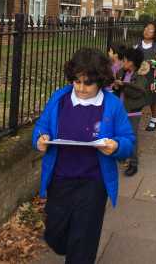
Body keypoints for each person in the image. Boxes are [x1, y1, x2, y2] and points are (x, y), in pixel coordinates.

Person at [32, 48, 135, 264]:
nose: (81, 88)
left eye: (87, 83)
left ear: (100, 80)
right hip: (60, 178)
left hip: (93, 182)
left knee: (84, 239)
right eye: (77, 82)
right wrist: (40, 138)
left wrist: (116, 146)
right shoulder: (59, 98)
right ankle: (66, 245)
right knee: (55, 234)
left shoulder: (113, 105)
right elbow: (42, 126)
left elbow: (128, 140)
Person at [113, 48, 149, 176]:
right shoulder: (121, 72)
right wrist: (117, 87)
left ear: (132, 62)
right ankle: (121, 155)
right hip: (121, 110)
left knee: (131, 136)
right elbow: (119, 90)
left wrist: (123, 85)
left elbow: (136, 92)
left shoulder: (140, 76)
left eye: (125, 60)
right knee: (119, 134)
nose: (122, 62)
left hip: (133, 112)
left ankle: (133, 163)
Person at [135, 22, 156, 131]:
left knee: (154, 100)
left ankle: (154, 119)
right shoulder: (137, 44)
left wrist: (153, 63)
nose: (147, 31)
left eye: (150, 29)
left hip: (154, 77)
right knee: (138, 97)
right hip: (140, 77)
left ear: (155, 33)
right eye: (146, 28)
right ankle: (134, 118)